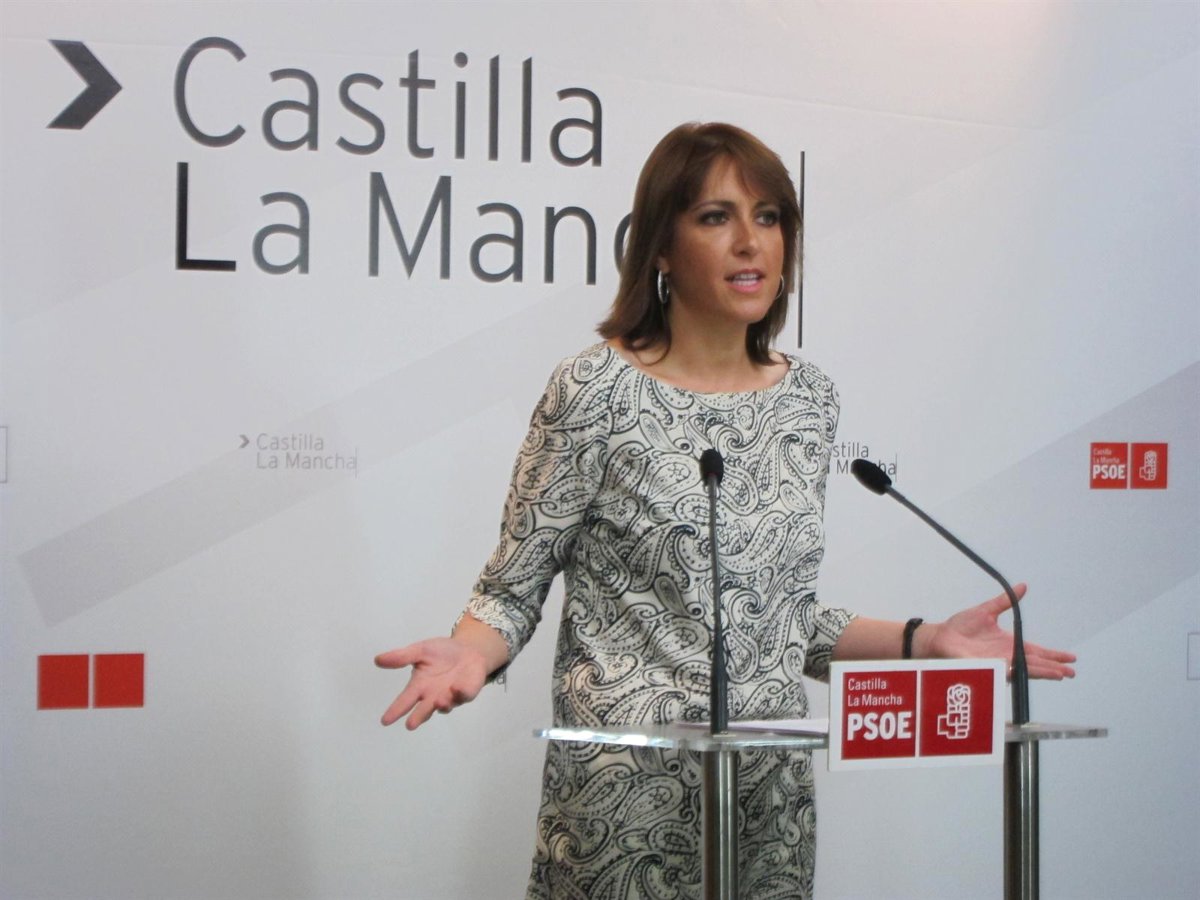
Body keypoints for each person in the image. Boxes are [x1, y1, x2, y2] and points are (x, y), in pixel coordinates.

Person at [376, 122, 1077, 899]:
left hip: (768, 806)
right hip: (625, 810)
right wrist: (471, 652)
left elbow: (778, 621)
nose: (751, 242)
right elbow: (511, 590)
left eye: (768, 217)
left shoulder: (808, 400)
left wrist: (925, 640)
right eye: (716, 217)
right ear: (661, 248)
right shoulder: (594, 391)